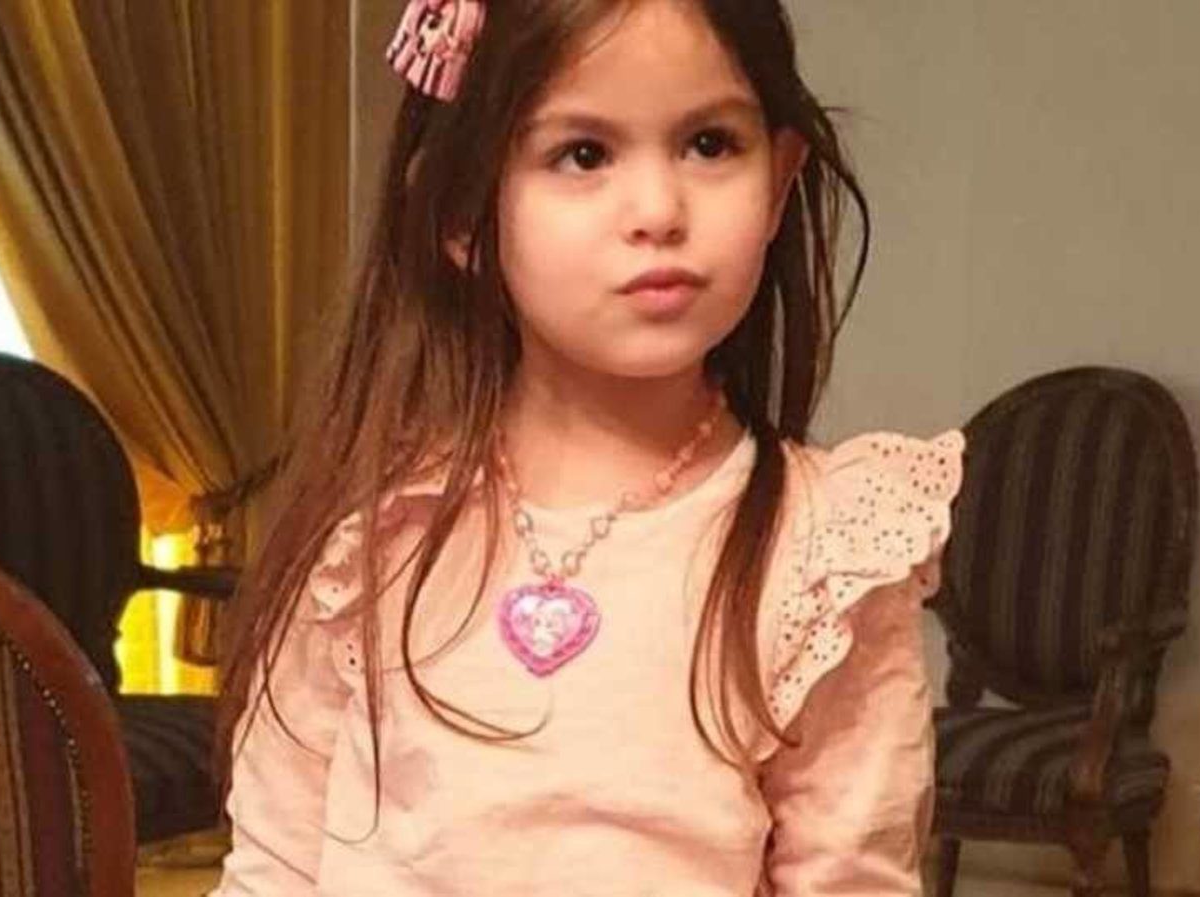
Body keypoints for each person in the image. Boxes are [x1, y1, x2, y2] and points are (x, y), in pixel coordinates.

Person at [211, 0, 964, 893]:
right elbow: (275, 863)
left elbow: (852, 877)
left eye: (710, 144)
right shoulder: (372, 536)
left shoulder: (825, 553)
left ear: (779, 178)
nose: (658, 210)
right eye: (583, 154)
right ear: (462, 212)